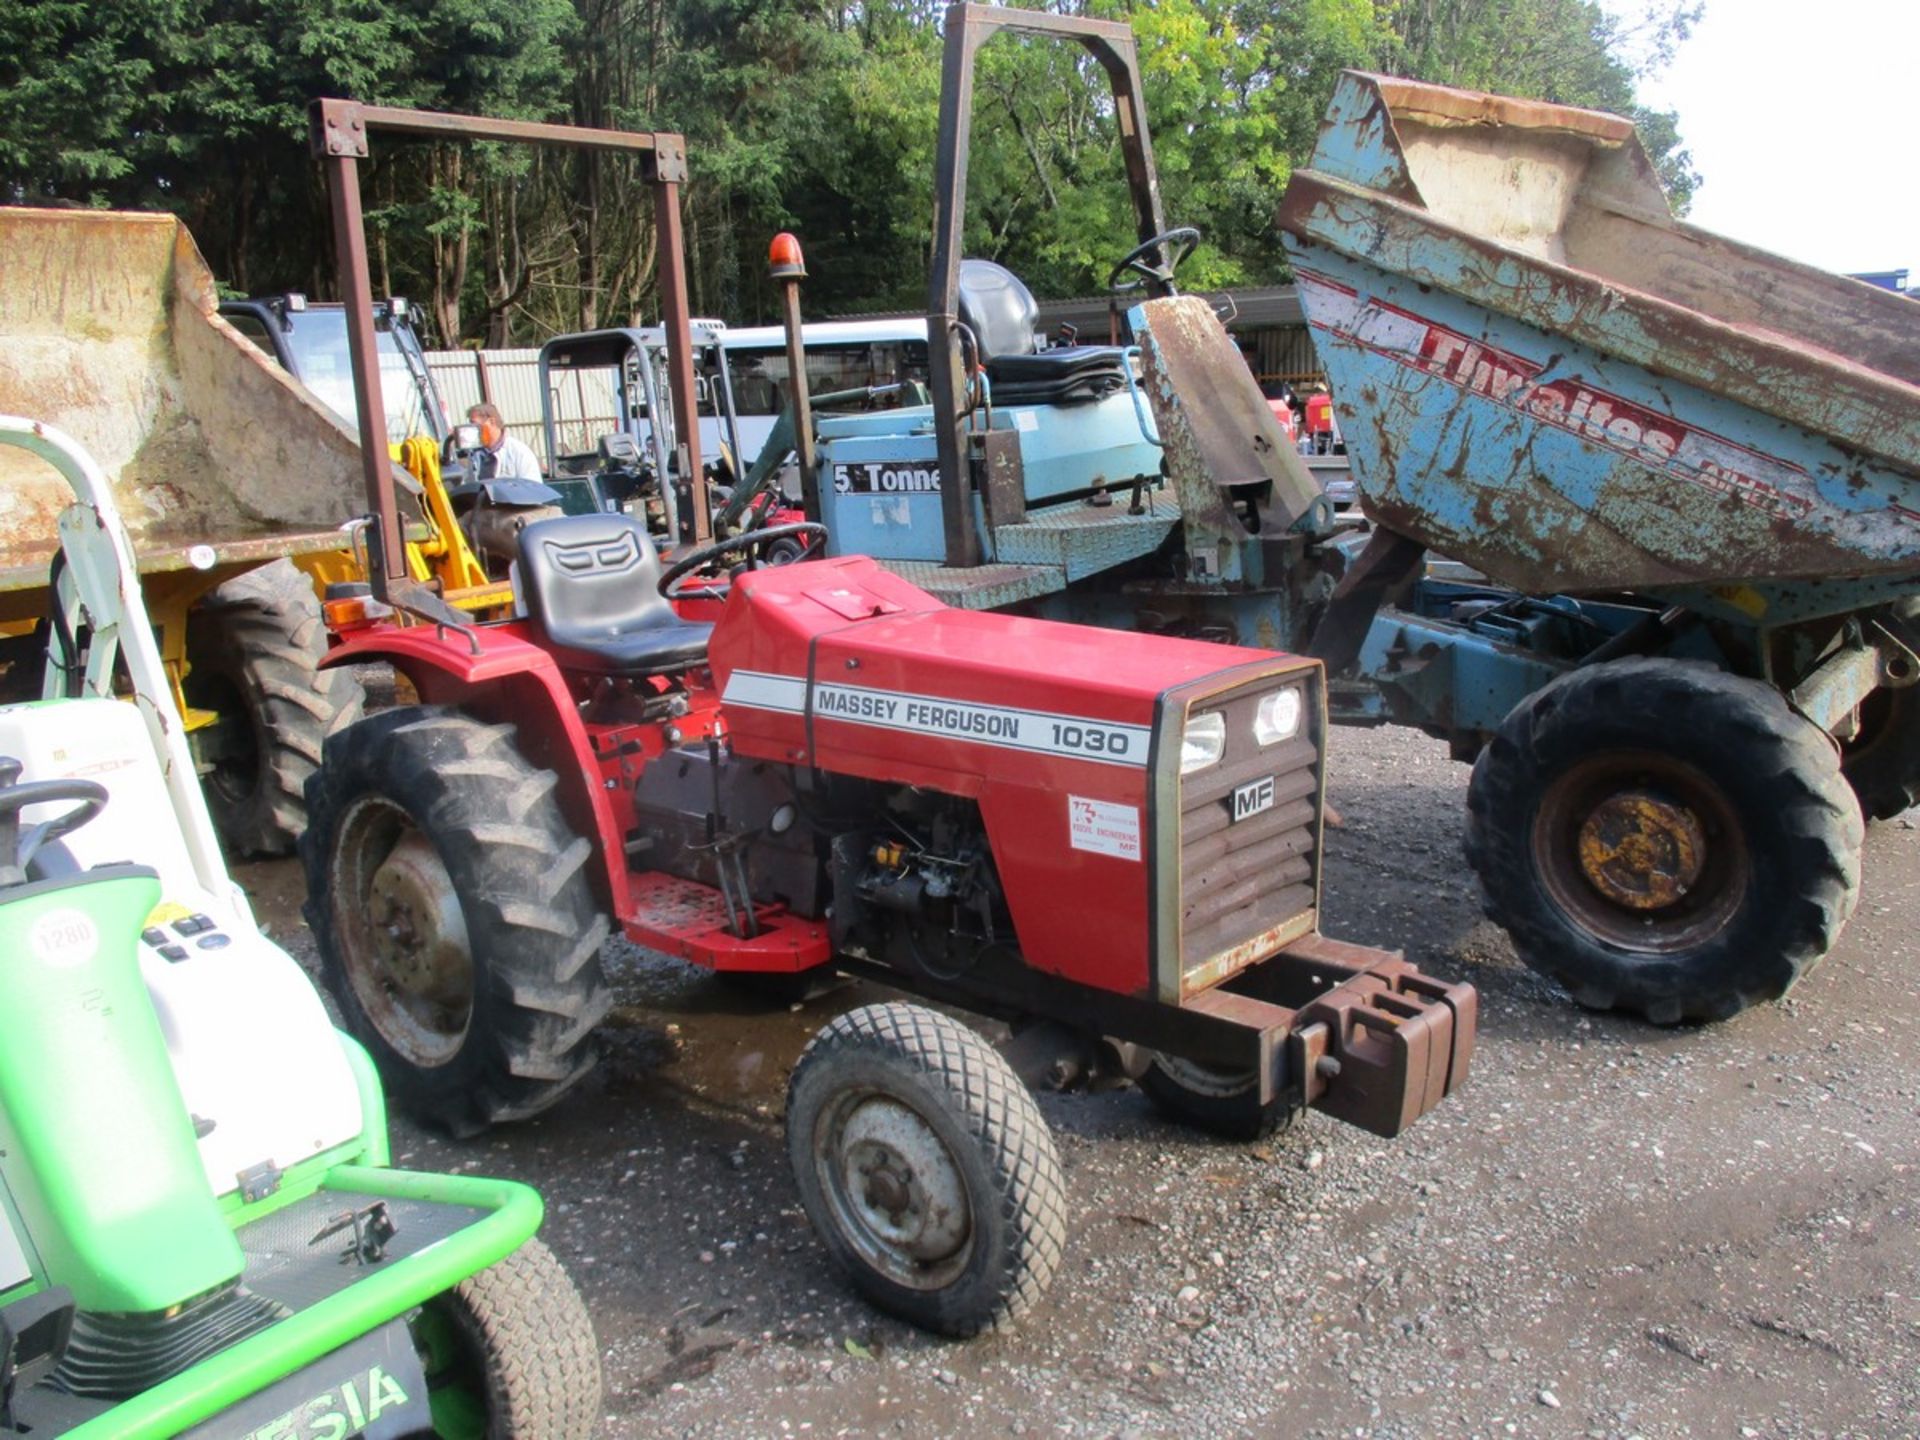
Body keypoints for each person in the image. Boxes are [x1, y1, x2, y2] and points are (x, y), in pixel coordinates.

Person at [466, 402, 543, 480]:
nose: (471, 429)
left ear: (492, 422)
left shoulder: (519, 452)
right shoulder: (474, 454)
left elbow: (532, 487)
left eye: (475, 425)